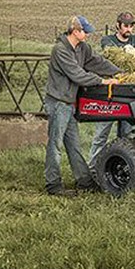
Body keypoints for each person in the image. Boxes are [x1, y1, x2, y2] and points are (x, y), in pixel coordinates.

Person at [45, 15, 120, 197]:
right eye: (85, 31)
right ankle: (53, 185)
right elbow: (77, 75)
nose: (87, 34)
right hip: (58, 103)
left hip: (70, 103)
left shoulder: (82, 48)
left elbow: (97, 62)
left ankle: (84, 182)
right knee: (55, 145)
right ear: (75, 31)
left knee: (74, 145)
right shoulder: (60, 50)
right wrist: (102, 81)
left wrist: (120, 72)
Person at [88, 12, 135, 171]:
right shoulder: (108, 40)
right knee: (101, 134)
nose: (129, 29)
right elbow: (110, 54)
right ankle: (93, 169)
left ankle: (121, 168)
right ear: (118, 25)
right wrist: (127, 53)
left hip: (129, 93)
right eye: (126, 26)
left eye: (131, 26)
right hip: (110, 93)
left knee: (126, 135)